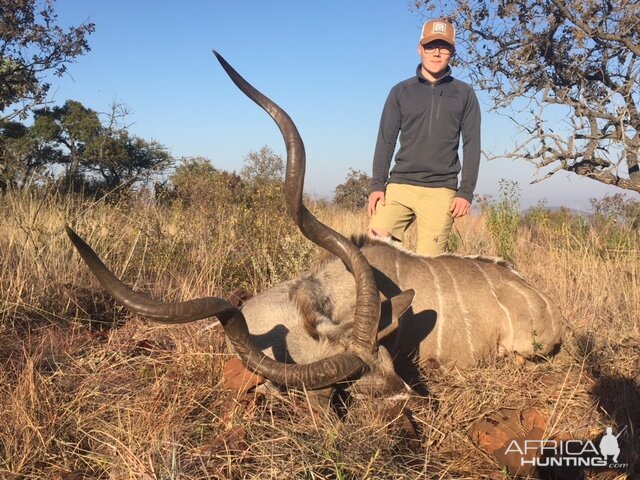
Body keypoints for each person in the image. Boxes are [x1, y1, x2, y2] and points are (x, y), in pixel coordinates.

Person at [368, 19, 481, 255]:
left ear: (452, 52)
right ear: (420, 48)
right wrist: (378, 185)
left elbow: (472, 145)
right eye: (430, 46)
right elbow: (385, 140)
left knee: (429, 268)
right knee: (373, 250)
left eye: (443, 46)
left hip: (441, 191)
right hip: (400, 186)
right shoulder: (400, 91)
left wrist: (466, 192)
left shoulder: (464, 94)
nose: (436, 52)